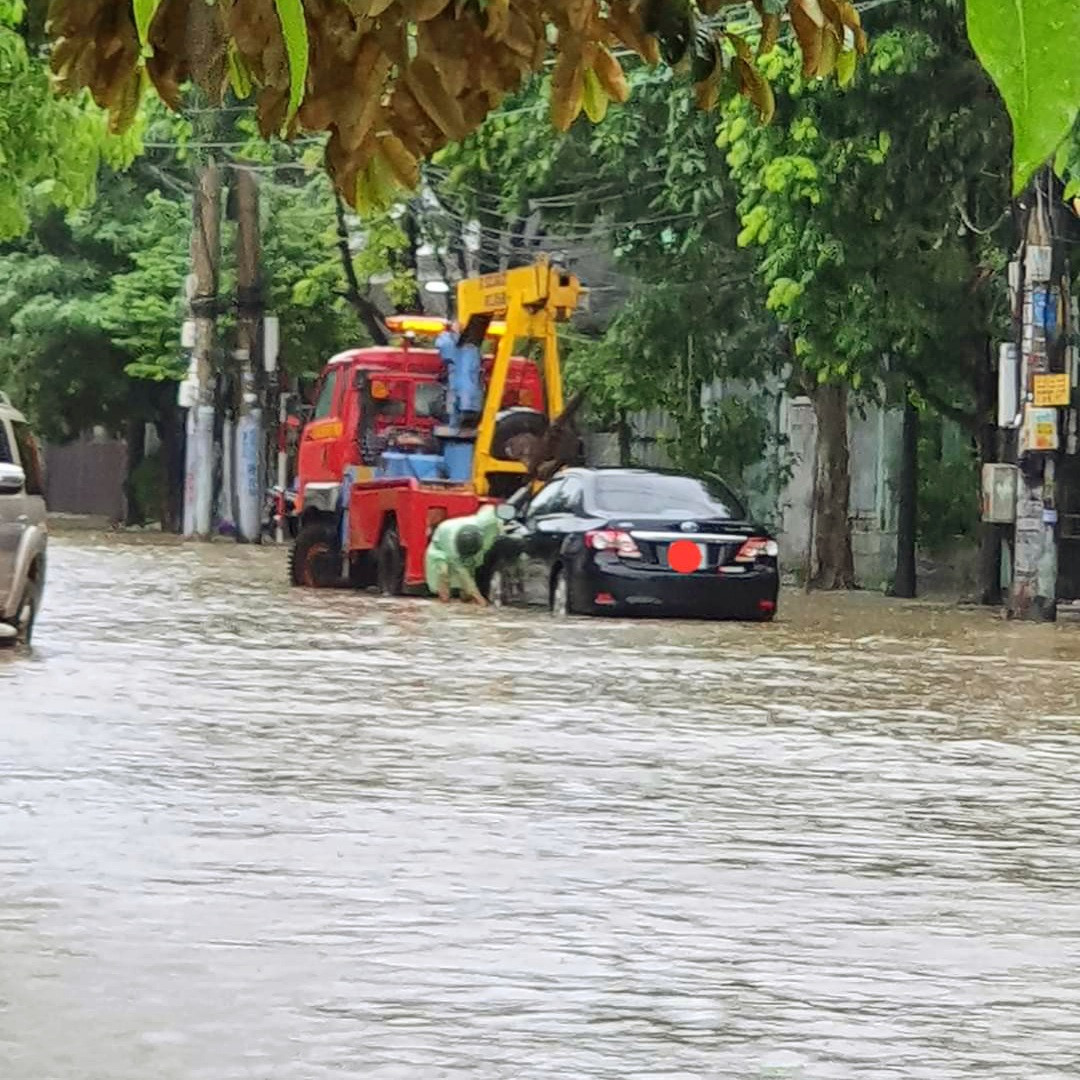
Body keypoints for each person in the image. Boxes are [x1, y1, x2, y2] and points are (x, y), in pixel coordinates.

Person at [424, 503, 503, 605]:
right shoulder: (450, 542)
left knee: (469, 574)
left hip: (470, 550)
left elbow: (489, 510)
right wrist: (480, 599)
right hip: (439, 550)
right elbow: (463, 573)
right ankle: (444, 602)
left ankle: (466, 598)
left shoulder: (484, 526)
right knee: (443, 572)